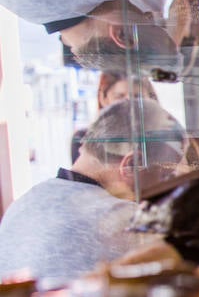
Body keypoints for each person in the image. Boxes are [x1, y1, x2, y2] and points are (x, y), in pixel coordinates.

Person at [0, 98, 185, 283]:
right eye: (165, 175)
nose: (166, 185)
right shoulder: (121, 219)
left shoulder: (22, 205)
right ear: (132, 164)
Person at [71, 71, 160, 162]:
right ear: (103, 99)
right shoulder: (83, 138)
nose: (130, 104)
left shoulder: (161, 136)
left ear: (150, 99)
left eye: (137, 97)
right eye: (120, 97)